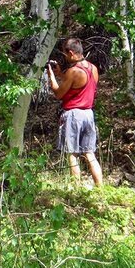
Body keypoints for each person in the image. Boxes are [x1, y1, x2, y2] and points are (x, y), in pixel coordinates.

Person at [46, 38, 104, 187]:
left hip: (73, 114)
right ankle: (101, 187)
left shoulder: (74, 71)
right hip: (88, 114)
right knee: (90, 153)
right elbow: (79, 87)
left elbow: (59, 94)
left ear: (71, 53)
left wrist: (52, 76)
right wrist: (61, 74)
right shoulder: (93, 69)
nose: (65, 57)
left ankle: (76, 189)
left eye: (65, 54)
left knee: (72, 154)